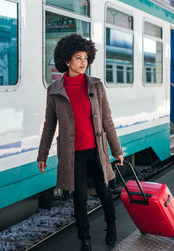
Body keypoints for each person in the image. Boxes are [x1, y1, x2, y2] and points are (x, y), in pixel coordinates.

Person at [37, 34, 124, 251]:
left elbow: (107, 120)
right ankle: (84, 240)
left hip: (97, 151)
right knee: (80, 198)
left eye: (85, 57)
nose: (83, 62)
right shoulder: (55, 90)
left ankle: (111, 228)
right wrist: (42, 154)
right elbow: (49, 125)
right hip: (73, 154)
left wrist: (117, 150)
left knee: (105, 193)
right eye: (78, 58)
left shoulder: (96, 86)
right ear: (67, 61)